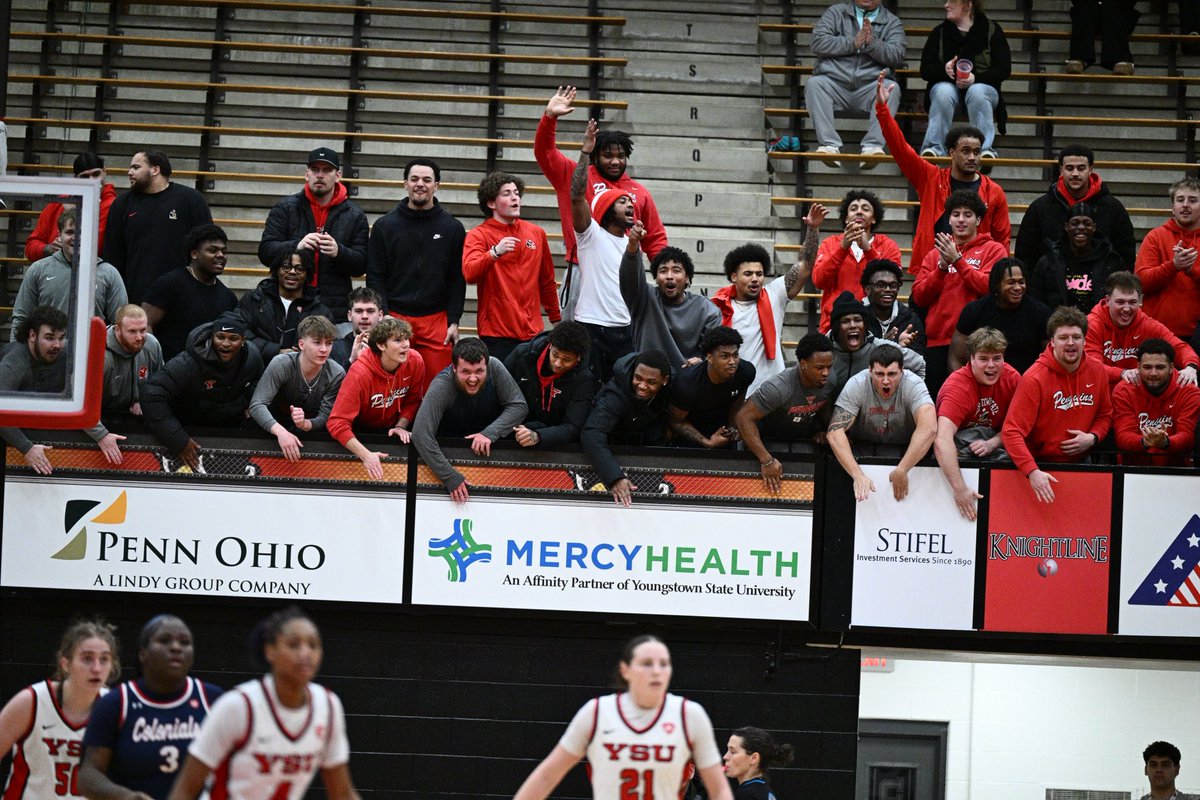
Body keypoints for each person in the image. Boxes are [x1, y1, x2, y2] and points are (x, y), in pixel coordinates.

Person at [168, 607, 360, 800]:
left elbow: (342, 794)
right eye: (294, 644)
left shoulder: (328, 706)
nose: (306, 653)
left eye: (313, 645)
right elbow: (184, 790)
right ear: (270, 651)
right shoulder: (238, 706)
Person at [512, 635, 733, 800]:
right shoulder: (596, 712)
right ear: (625, 670)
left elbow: (719, 789)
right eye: (647, 663)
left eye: (664, 664)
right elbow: (546, 776)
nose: (657, 671)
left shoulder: (690, 715)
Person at [535, 85, 666, 316]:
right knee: (574, 334)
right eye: (608, 156)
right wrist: (550, 117)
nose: (615, 161)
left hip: (625, 271)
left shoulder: (640, 192)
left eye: (621, 156)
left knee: (628, 330)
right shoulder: (575, 175)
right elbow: (545, 153)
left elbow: (655, 240)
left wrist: (664, 274)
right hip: (583, 268)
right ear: (595, 155)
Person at [875, 72, 1010, 275]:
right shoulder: (930, 178)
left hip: (975, 272)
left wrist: (999, 278)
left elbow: (1002, 240)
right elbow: (900, 148)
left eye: (977, 152)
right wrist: (882, 110)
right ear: (951, 153)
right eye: (965, 151)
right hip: (932, 270)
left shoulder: (994, 191)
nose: (972, 157)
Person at [79, 615, 220, 800]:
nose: (176, 647)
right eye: (164, 640)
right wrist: (127, 797)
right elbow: (88, 775)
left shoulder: (213, 699)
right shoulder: (116, 703)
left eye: (185, 642)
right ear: (143, 653)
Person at [366, 158, 465, 385]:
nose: (420, 184)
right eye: (414, 179)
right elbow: (375, 276)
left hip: (436, 320)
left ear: (436, 185)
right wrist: (384, 314)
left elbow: (457, 279)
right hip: (396, 316)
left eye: (427, 180)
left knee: (437, 387)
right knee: (393, 385)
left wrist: (454, 321)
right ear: (405, 184)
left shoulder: (452, 228)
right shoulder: (384, 226)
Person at [1000, 306, 1113, 503]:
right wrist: (1032, 471)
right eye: (1063, 337)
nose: (1070, 343)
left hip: (1082, 463)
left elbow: (1105, 415)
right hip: (1040, 466)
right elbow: (1011, 432)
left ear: (1085, 340)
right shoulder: (1034, 378)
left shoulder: (1098, 371)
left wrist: (1093, 437)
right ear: (1052, 341)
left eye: (1076, 337)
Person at [713, 205, 827, 395]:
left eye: (759, 274)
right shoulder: (717, 307)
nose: (755, 279)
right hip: (733, 392)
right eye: (748, 274)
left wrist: (813, 229)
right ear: (733, 277)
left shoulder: (774, 294)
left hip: (773, 391)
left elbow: (805, 264)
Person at [0, 619, 119, 800]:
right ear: (65, 663)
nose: (96, 668)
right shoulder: (32, 701)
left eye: (104, 659)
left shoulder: (115, 708)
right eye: (87, 658)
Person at [140, 311, 265, 472]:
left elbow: (259, 379)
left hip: (228, 430)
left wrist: (251, 402)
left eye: (233, 338)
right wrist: (178, 440)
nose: (225, 343)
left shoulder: (252, 357)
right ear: (212, 336)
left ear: (243, 340)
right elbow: (151, 393)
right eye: (220, 337)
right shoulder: (188, 362)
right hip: (188, 430)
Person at [912, 190, 1008, 393]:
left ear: (978, 220)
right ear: (949, 219)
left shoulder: (994, 250)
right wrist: (941, 268)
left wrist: (958, 261)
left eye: (968, 214)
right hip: (938, 341)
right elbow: (919, 297)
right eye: (956, 214)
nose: (961, 220)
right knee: (938, 402)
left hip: (980, 343)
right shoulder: (934, 254)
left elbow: (989, 288)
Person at [412, 337, 527, 502]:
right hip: (448, 456)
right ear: (454, 368)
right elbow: (420, 434)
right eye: (465, 372)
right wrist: (449, 476)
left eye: (479, 371)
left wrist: (490, 433)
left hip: (491, 455)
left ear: (487, 366)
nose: (473, 379)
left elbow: (519, 406)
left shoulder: (495, 366)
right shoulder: (442, 385)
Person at [257, 147, 368, 318]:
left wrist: (339, 252)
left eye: (327, 170)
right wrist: (296, 246)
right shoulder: (285, 208)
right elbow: (265, 252)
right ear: (307, 174)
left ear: (338, 176)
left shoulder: (355, 215)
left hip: (334, 309)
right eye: (315, 169)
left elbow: (361, 265)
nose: (320, 175)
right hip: (287, 305)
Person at [462, 171, 561, 363]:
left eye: (516, 193)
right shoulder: (478, 235)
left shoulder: (536, 233)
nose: (515, 198)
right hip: (497, 333)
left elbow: (546, 281)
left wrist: (556, 319)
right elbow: (470, 273)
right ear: (492, 203)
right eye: (506, 194)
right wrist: (494, 253)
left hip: (533, 332)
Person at [568, 119, 637, 383]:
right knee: (588, 389)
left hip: (625, 327)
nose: (630, 205)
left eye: (630, 202)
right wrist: (585, 153)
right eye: (622, 201)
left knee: (622, 391)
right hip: (592, 326)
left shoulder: (631, 244)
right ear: (606, 208)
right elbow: (577, 195)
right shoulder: (591, 235)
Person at [827, 344, 937, 501]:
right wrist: (857, 475)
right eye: (879, 374)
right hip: (863, 451)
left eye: (892, 374)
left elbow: (929, 428)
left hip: (905, 451)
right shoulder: (857, 383)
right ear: (870, 371)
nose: (886, 381)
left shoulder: (913, 384)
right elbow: (834, 433)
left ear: (902, 371)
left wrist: (903, 469)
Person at [102, 149, 212, 304]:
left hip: (181, 297)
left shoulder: (191, 200)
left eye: (136, 167)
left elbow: (207, 247)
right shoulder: (121, 204)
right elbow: (113, 256)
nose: (129, 172)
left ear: (155, 170)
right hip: (136, 298)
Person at [805, 0, 907, 166]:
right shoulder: (836, 12)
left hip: (870, 86)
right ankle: (829, 145)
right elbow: (817, 42)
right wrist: (853, 42)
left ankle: (873, 147)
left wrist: (872, 43)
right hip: (835, 84)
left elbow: (897, 55)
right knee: (815, 84)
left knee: (891, 89)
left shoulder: (892, 21)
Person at [934, 327, 1020, 520]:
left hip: (995, 445)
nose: (991, 366)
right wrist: (959, 489)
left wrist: (993, 443)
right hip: (960, 450)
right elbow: (942, 440)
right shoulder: (958, 387)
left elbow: (1021, 427)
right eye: (983, 359)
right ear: (971, 359)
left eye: (997, 358)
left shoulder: (1012, 378)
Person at [326, 317, 425, 480]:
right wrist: (365, 455)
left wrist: (401, 425)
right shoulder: (359, 373)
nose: (406, 345)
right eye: (398, 340)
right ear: (381, 345)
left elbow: (414, 400)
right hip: (360, 433)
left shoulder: (415, 361)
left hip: (391, 430)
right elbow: (336, 423)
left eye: (406, 338)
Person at [737, 333, 836, 492]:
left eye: (829, 367)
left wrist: (824, 430)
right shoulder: (778, 387)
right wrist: (766, 460)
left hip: (801, 439)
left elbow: (825, 404)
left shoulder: (829, 380)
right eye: (819, 368)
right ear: (803, 364)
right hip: (768, 441)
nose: (826, 373)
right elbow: (743, 418)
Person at [10, 207, 127, 341]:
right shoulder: (38, 270)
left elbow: (121, 324)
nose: (76, 238)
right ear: (59, 235)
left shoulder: (109, 274)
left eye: (83, 232)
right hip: (48, 352)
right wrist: (15, 351)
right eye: (70, 232)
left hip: (91, 352)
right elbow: (21, 318)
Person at [917, 0, 1011, 162]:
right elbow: (925, 70)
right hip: (950, 92)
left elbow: (1004, 69)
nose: (946, 5)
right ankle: (934, 148)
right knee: (943, 91)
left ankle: (984, 150)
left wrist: (976, 79)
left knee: (977, 91)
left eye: (952, 1)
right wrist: (944, 71)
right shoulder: (940, 32)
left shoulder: (991, 30)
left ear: (968, 5)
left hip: (983, 92)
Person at [1015, 144, 1136, 269]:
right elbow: (1025, 254)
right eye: (1069, 168)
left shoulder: (1113, 208)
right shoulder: (1039, 208)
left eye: (1081, 168)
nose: (1075, 173)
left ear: (1090, 169)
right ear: (1061, 170)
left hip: (1102, 280)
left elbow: (1126, 254)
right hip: (1052, 280)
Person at [580, 350, 674, 507]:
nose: (642, 386)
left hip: (646, 441)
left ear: (665, 380)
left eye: (651, 382)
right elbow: (591, 434)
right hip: (611, 448)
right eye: (638, 378)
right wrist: (615, 477)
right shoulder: (615, 395)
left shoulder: (674, 382)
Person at [249, 315, 346, 461]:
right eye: (317, 342)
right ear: (301, 344)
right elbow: (257, 405)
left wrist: (305, 424)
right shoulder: (281, 364)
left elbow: (326, 416)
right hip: (271, 431)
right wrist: (281, 432)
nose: (324, 349)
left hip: (312, 437)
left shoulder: (337, 373)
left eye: (329, 343)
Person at [620, 232, 721, 369]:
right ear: (656, 277)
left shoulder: (706, 309)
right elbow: (629, 276)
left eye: (676, 270)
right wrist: (633, 245)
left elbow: (714, 352)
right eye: (663, 271)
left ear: (687, 278)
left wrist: (702, 361)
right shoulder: (643, 298)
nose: (669, 276)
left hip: (687, 376)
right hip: (647, 376)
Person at [1085, 271, 1199, 390]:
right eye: (1120, 302)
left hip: (1135, 393)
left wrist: (1191, 367)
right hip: (1100, 391)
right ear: (1108, 301)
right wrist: (1122, 373)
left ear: (1140, 302)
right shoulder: (1092, 325)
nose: (1126, 308)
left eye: (1132, 302)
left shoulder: (1146, 324)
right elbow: (1093, 367)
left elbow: (1178, 347)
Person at [142, 223, 237, 360]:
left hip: (209, 370)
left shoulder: (228, 297)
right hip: (168, 368)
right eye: (212, 250)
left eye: (224, 251)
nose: (220, 255)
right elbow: (145, 324)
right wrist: (154, 362)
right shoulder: (170, 283)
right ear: (194, 254)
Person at [83, 304, 164, 465]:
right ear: (117, 329)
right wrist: (101, 435)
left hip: (136, 420)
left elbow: (161, 386)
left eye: (142, 330)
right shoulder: (99, 353)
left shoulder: (151, 344)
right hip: (98, 420)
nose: (139, 337)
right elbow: (81, 404)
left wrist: (146, 401)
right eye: (132, 331)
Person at [811, 190, 902, 332]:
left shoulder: (888, 245)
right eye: (853, 209)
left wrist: (868, 250)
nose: (859, 212)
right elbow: (819, 281)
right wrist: (842, 248)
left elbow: (894, 281)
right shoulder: (830, 243)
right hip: (834, 324)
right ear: (846, 218)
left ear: (874, 219)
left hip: (875, 324)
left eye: (865, 209)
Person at [505, 320, 598, 449]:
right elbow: (499, 391)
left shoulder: (584, 378)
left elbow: (573, 426)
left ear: (578, 357)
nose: (558, 363)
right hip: (512, 429)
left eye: (566, 359)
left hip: (553, 440)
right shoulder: (524, 354)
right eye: (555, 355)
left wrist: (539, 435)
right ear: (550, 346)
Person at [951, 258, 1051, 374]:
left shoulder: (1040, 312)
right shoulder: (974, 311)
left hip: (1027, 380)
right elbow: (956, 357)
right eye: (1011, 282)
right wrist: (961, 383)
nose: (1018, 287)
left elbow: (1049, 359)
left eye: (1021, 282)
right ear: (997, 284)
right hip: (982, 380)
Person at [0, 306, 69, 475]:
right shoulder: (15, 361)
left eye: (61, 338)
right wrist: (27, 448)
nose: (57, 345)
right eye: (49, 338)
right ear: (32, 335)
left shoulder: (65, 355)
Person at [1113, 339, 1200, 466]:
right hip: (1132, 470)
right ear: (1138, 367)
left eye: (1160, 367)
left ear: (1171, 368)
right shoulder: (1124, 390)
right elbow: (1123, 436)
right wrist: (1145, 442)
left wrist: (1166, 442)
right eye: (1147, 367)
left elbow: (1187, 437)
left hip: (1176, 470)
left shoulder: (1188, 391)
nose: (1153, 373)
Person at [1135, 177, 1200, 347]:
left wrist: (1192, 271)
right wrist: (1173, 266)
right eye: (1180, 200)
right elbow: (1141, 282)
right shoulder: (1155, 237)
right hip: (1158, 332)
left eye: (1193, 200)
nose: (1185, 205)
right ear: (1173, 207)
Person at [668, 327, 755, 449]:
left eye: (735, 355)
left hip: (723, 433)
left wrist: (731, 428)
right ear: (709, 358)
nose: (732, 362)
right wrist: (707, 443)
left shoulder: (746, 372)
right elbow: (676, 422)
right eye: (724, 356)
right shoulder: (687, 382)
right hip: (691, 437)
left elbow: (737, 400)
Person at [238, 248, 332, 361]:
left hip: (301, 368)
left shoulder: (320, 311)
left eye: (299, 269)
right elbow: (239, 332)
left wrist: (302, 353)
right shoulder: (254, 299)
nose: (292, 272)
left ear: (307, 274)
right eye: (286, 267)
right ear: (277, 270)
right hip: (256, 366)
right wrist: (276, 351)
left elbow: (327, 344)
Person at [826, 290, 926, 395]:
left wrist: (909, 397)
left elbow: (919, 364)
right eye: (845, 321)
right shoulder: (823, 351)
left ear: (865, 325)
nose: (853, 325)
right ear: (836, 328)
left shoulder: (878, 346)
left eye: (858, 320)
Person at [1029, 202, 1125, 312]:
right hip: (1056, 321)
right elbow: (1037, 302)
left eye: (1087, 223)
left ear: (1094, 228)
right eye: (1075, 223)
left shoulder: (1111, 261)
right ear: (1066, 227)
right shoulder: (1047, 262)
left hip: (1097, 321)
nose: (1081, 227)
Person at [25, 152, 116, 261]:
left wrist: (64, 247)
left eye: (96, 174)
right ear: (75, 179)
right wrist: (48, 249)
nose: (91, 181)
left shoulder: (113, 206)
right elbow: (30, 248)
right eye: (84, 177)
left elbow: (96, 248)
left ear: (104, 172)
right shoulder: (58, 204)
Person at [860, 258, 926, 353]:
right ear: (867, 289)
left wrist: (897, 348)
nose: (888, 289)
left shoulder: (911, 319)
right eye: (880, 284)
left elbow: (919, 359)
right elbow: (854, 356)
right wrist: (883, 346)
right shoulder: (858, 318)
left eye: (893, 285)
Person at [1066, 0, 1138, 74]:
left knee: (1111, 5)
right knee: (1088, 4)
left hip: (1118, 14)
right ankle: (1079, 57)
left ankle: (1120, 58)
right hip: (1089, 12)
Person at [723, 727, 794, 800]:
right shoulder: (765, 792)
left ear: (754, 758)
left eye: (733, 752)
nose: (725, 757)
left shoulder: (746, 795)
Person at [330, 286, 384, 369]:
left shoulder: (389, 348)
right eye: (359, 311)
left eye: (370, 311)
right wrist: (351, 361)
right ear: (349, 315)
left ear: (380, 315)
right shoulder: (334, 349)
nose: (364, 316)